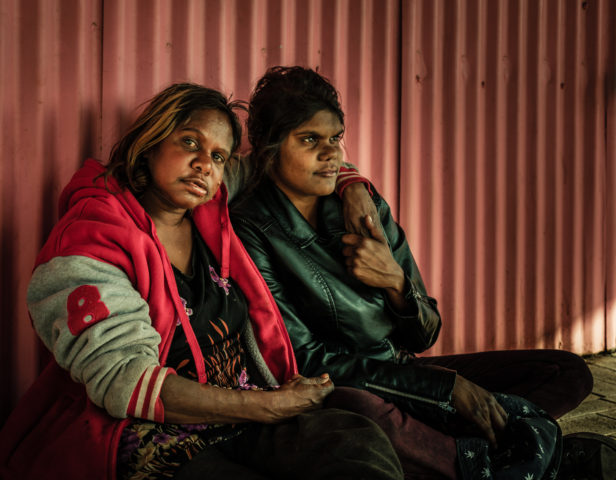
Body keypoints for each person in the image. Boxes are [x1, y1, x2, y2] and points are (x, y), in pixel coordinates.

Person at [0, 83, 404, 480]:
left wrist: (353, 187)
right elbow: (126, 381)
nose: (206, 164)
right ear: (149, 144)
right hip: (143, 429)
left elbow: (291, 161)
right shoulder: (89, 242)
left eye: (219, 157)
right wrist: (268, 406)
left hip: (241, 414)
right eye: (189, 143)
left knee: (356, 443)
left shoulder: (209, 204)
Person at [231, 65, 616, 480]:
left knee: (565, 371)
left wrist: (396, 282)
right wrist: (443, 389)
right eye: (310, 140)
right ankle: (498, 457)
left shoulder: (362, 206)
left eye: (335, 138)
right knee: (358, 410)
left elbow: (425, 333)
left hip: (405, 372)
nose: (332, 154)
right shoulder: (251, 230)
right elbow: (307, 361)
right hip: (354, 389)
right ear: (270, 147)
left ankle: (461, 447)